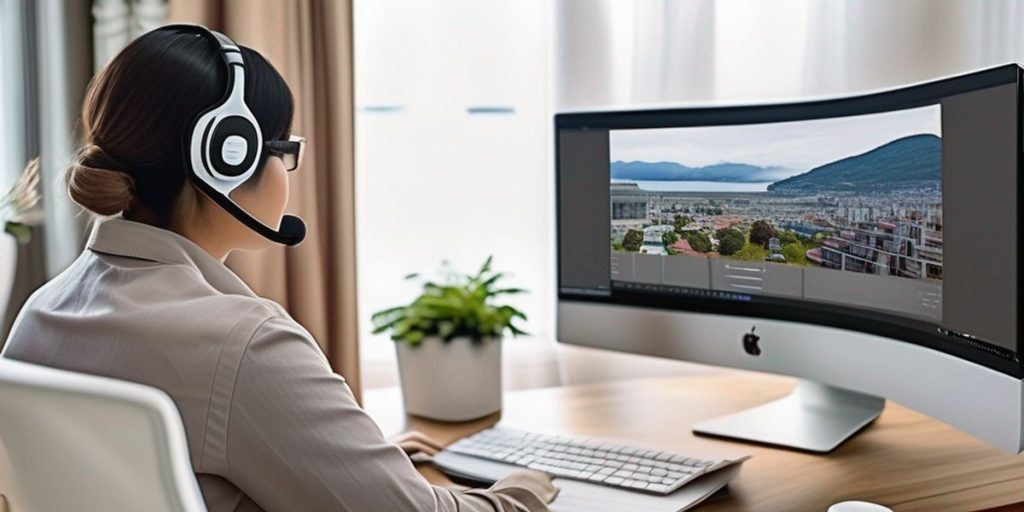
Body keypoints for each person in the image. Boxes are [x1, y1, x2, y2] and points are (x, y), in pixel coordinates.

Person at [1, 25, 556, 512]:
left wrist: (358, 463)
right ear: (227, 155)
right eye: (285, 149)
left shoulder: (41, 313)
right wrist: (524, 488)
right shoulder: (244, 345)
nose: (289, 169)